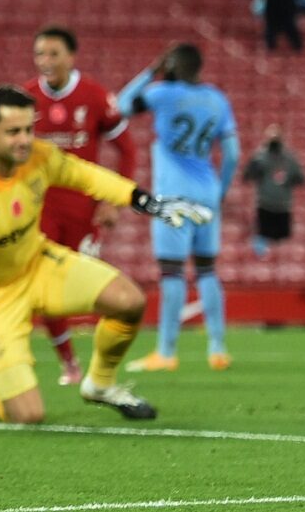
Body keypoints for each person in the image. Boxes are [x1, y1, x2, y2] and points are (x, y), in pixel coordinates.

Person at [0, 85, 212, 425]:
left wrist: (144, 201)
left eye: (28, 129)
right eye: (13, 132)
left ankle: (100, 384)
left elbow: (85, 176)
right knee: (29, 415)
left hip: (39, 264)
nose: (24, 140)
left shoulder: (39, 157)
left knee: (129, 301)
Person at [25, 25, 137, 386]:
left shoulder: (95, 96)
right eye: (40, 54)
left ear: (71, 56)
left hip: (84, 212)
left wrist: (114, 201)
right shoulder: (25, 100)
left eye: (53, 53)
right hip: (40, 210)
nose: (45, 61)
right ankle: (70, 365)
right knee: (45, 287)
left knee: (93, 290)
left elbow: (128, 150)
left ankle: (105, 365)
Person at [119, 43, 239, 372]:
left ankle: (166, 352)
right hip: (208, 193)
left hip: (172, 196)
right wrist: (221, 191)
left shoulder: (162, 93)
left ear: (172, 65)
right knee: (207, 270)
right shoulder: (217, 99)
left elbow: (122, 106)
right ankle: (217, 349)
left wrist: (150, 72)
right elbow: (232, 154)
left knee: (172, 272)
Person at [242, 125, 305, 258]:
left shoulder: (289, 158)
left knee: (282, 246)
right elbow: (247, 176)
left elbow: (300, 178)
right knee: (265, 240)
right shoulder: (260, 157)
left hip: (283, 207)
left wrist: (288, 180)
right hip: (266, 206)